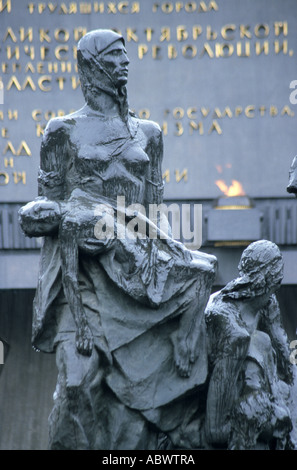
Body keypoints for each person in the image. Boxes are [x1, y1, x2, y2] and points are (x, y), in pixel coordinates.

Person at [19, 29, 217, 450]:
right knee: (78, 381)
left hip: (134, 269)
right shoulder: (62, 131)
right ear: (91, 66)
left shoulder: (149, 133)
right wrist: (49, 218)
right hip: (85, 275)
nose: (125, 63)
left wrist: (162, 254)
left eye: (126, 56)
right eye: (114, 56)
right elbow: (46, 206)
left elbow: (155, 211)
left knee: (146, 397)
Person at [204, 240, 296, 450]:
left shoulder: (266, 302)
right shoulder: (230, 328)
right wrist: (266, 416)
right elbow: (215, 429)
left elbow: (286, 360)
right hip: (243, 426)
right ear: (274, 279)